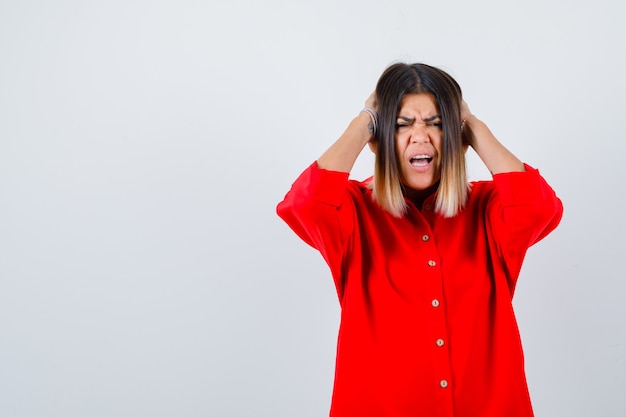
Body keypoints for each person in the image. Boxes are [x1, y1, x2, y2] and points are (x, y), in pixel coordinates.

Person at [276, 63, 563, 417]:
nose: (420, 136)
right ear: (379, 139)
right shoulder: (352, 212)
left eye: (436, 123)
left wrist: (473, 126)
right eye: (402, 124)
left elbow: (538, 208)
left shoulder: (489, 209)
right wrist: (365, 121)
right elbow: (304, 205)